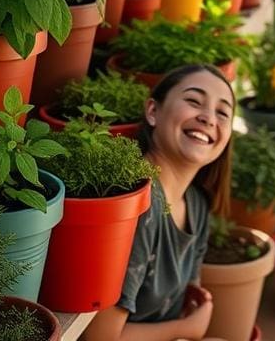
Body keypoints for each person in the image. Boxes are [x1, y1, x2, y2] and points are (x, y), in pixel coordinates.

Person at [84, 64, 234, 341]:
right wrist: (186, 329)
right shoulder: (139, 202)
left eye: (222, 112)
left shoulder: (197, 204)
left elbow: (189, 296)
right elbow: (99, 337)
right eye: (193, 101)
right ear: (153, 112)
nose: (209, 118)